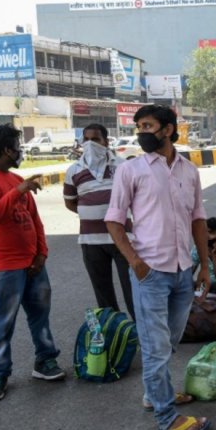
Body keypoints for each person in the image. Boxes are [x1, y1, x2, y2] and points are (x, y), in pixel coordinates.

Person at [105, 104, 211, 430]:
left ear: (167, 129)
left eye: (147, 125)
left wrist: (204, 264)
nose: (141, 132)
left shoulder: (188, 170)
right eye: (138, 126)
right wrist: (136, 263)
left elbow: (198, 218)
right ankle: (166, 417)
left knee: (170, 340)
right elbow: (114, 219)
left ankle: (155, 393)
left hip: (183, 270)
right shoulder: (131, 170)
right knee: (155, 347)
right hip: (150, 272)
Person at [0, 124, 66, 402]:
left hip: (33, 264)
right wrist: (18, 191)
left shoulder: (14, 178)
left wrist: (41, 253)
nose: (19, 150)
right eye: (16, 145)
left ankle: (45, 361)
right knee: (2, 323)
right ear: (4, 149)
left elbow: (35, 220)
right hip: (3, 267)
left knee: (40, 316)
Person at [64, 124, 135, 319]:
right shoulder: (74, 170)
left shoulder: (122, 166)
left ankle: (142, 332)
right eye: (85, 139)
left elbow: (136, 199)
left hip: (123, 239)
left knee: (133, 289)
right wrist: (92, 213)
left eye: (95, 140)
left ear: (106, 142)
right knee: (103, 292)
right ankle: (116, 332)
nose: (89, 144)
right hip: (91, 241)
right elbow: (70, 203)